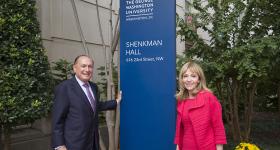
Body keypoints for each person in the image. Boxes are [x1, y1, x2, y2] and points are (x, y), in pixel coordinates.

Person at [51, 55, 121, 150]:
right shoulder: (64, 88)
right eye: (83, 66)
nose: (87, 69)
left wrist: (116, 102)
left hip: (92, 142)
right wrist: (59, 146)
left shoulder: (93, 87)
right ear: (75, 68)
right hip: (73, 144)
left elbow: (94, 106)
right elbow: (57, 120)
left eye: (90, 66)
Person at [174, 61, 227, 150]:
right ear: (182, 79)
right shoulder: (181, 100)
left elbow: (218, 129)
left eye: (193, 76)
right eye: (185, 76)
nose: (189, 79)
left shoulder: (209, 98)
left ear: (199, 79)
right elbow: (180, 132)